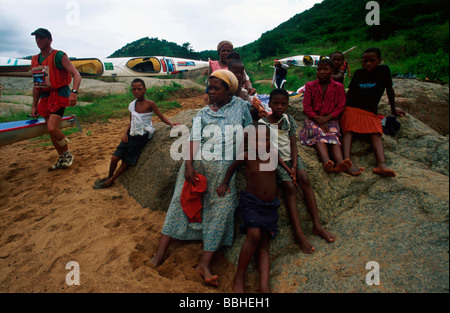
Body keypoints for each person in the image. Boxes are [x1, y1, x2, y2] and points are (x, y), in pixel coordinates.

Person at [150, 70, 253, 287]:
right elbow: (194, 138)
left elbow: (248, 132)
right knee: (180, 202)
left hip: (225, 170)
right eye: (210, 87)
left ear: (229, 89)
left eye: (216, 88)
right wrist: (188, 164)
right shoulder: (204, 113)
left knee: (221, 210)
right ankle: (159, 254)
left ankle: (204, 264)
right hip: (197, 167)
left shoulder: (241, 107)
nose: (211, 92)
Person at [260, 89, 336, 254]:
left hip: (292, 159)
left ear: (288, 104)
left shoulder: (288, 119)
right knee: (290, 187)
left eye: (283, 103)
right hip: (277, 161)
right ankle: (299, 234)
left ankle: (317, 225)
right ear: (269, 104)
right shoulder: (263, 124)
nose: (279, 107)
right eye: (275, 103)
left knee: (305, 179)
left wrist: (294, 165)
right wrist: (288, 169)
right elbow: (272, 151)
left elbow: (293, 144)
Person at [217, 124, 287, 293]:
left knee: (264, 242)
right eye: (257, 140)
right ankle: (239, 277)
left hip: (270, 206)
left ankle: (264, 284)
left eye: (266, 140)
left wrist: (290, 172)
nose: (261, 144)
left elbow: (282, 165)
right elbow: (232, 167)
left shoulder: (273, 155)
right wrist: (225, 183)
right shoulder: (247, 157)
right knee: (254, 235)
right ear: (249, 141)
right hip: (252, 203)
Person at [93, 79, 179, 189]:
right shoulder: (132, 105)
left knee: (126, 161)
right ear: (131, 91)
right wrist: (125, 133)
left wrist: (171, 124)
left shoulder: (150, 104)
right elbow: (132, 121)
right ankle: (109, 177)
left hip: (141, 135)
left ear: (145, 90)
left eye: (139, 89)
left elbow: (161, 117)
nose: (137, 91)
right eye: (134, 89)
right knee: (114, 158)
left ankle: (110, 181)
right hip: (131, 133)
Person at [340, 47, 406, 177]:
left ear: (379, 60)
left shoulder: (384, 71)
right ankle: (346, 161)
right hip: (352, 106)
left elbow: (390, 90)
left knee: (376, 133)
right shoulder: (359, 73)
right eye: (365, 61)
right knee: (348, 130)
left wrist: (393, 109)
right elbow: (350, 93)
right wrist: (341, 111)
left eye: (372, 60)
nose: (368, 64)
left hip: (370, 111)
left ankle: (381, 164)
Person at [30, 28, 81, 171]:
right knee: (50, 130)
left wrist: (74, 92)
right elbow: (36, 85)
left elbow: (76, 74)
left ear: (50, 40)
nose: (39, 40)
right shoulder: (35, 60)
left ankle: (67, 153)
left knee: (52, 127)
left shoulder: (59, 56)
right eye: (37, 38)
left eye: (42, 37)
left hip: (59, 95)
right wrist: (34, 106)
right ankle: (61, 157)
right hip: (45, 97)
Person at [299, 58, 351, 173]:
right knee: (318, 134)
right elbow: (307, 106)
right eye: (319, 69)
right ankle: (326, 161)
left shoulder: (338, 87)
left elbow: (340, 106)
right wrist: (319, 120)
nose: (321, 72)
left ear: (332, 71)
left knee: (333, 134)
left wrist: (326, 119)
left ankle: (340, 162)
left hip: (330, 119)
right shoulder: (310, 86)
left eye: (325, 69)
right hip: (313, 119)